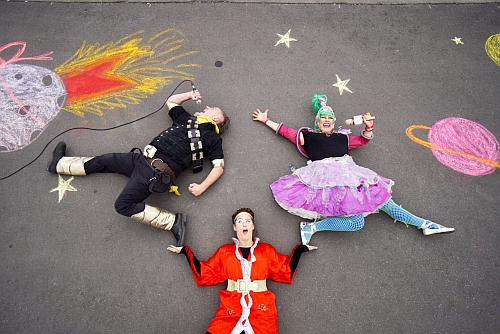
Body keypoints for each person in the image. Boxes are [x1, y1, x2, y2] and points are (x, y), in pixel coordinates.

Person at [252, 94, 454, 245]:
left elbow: (364, 139)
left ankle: (425, 224)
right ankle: (311, 226)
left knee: (386, 202)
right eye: (323, 116)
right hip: (326, 178)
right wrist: (265, 120)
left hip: (351, 175)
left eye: (330, 117)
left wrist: (368, 127)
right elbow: (285, 131)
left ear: (333, 122)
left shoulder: (343, 137)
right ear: (317, 122)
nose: (327, 119)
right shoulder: (309, 136)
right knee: (357, 223)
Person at [46, 89, 230, 247]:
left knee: (123, 205)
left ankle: (172, 221)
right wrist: (189, 95)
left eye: (211, 109)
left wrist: (202, 186)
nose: (206, 107)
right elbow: (171, 101)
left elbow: (219, 166)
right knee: (106, 160)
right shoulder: (186, 119)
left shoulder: (211, 138)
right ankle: (59, 164)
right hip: (140, 160)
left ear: (215, 118)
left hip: (154, 174)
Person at [167, 207, 317, 334]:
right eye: (239, 221)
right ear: (234, 227)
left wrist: (300, 250)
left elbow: (285, 271)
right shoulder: (225, 252)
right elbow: (206, 273)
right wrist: (186, 252)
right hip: (230, 309)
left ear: (252, 226)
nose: (244, 223)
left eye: (248, 220)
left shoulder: (266, 250)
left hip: (262, 311)